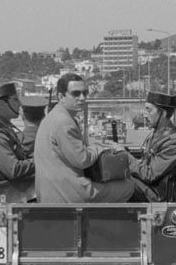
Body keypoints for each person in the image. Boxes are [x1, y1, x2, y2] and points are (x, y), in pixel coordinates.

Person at [34, 73, 134, 203]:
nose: (82, 98)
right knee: (128, 186)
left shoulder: (54, 116)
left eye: (84, 93)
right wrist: (101, 147)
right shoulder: (64, 122)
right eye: (76, 94)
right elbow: (82, 160)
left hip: (51, 192)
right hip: (70, 192)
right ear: (61, 96)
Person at [114, 91, 176, 202]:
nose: (145, 114)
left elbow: (149, 174)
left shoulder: (175, 143)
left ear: (163, 113)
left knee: (109, 187)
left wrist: (125, 156)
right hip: (146, 187)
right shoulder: (158, 135)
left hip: (153, 195)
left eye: (149, 110)